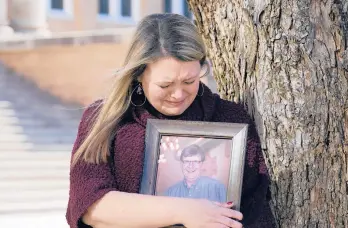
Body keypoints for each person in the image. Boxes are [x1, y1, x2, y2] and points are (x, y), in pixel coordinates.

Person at [66, 13, 275, 228]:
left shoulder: (231, 120)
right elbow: (92, 207)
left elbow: (256, 208)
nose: (178, 95)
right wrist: (185, 211)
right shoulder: (102, 120)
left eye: (189, 81)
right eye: (165, 85)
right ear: (139, 74)